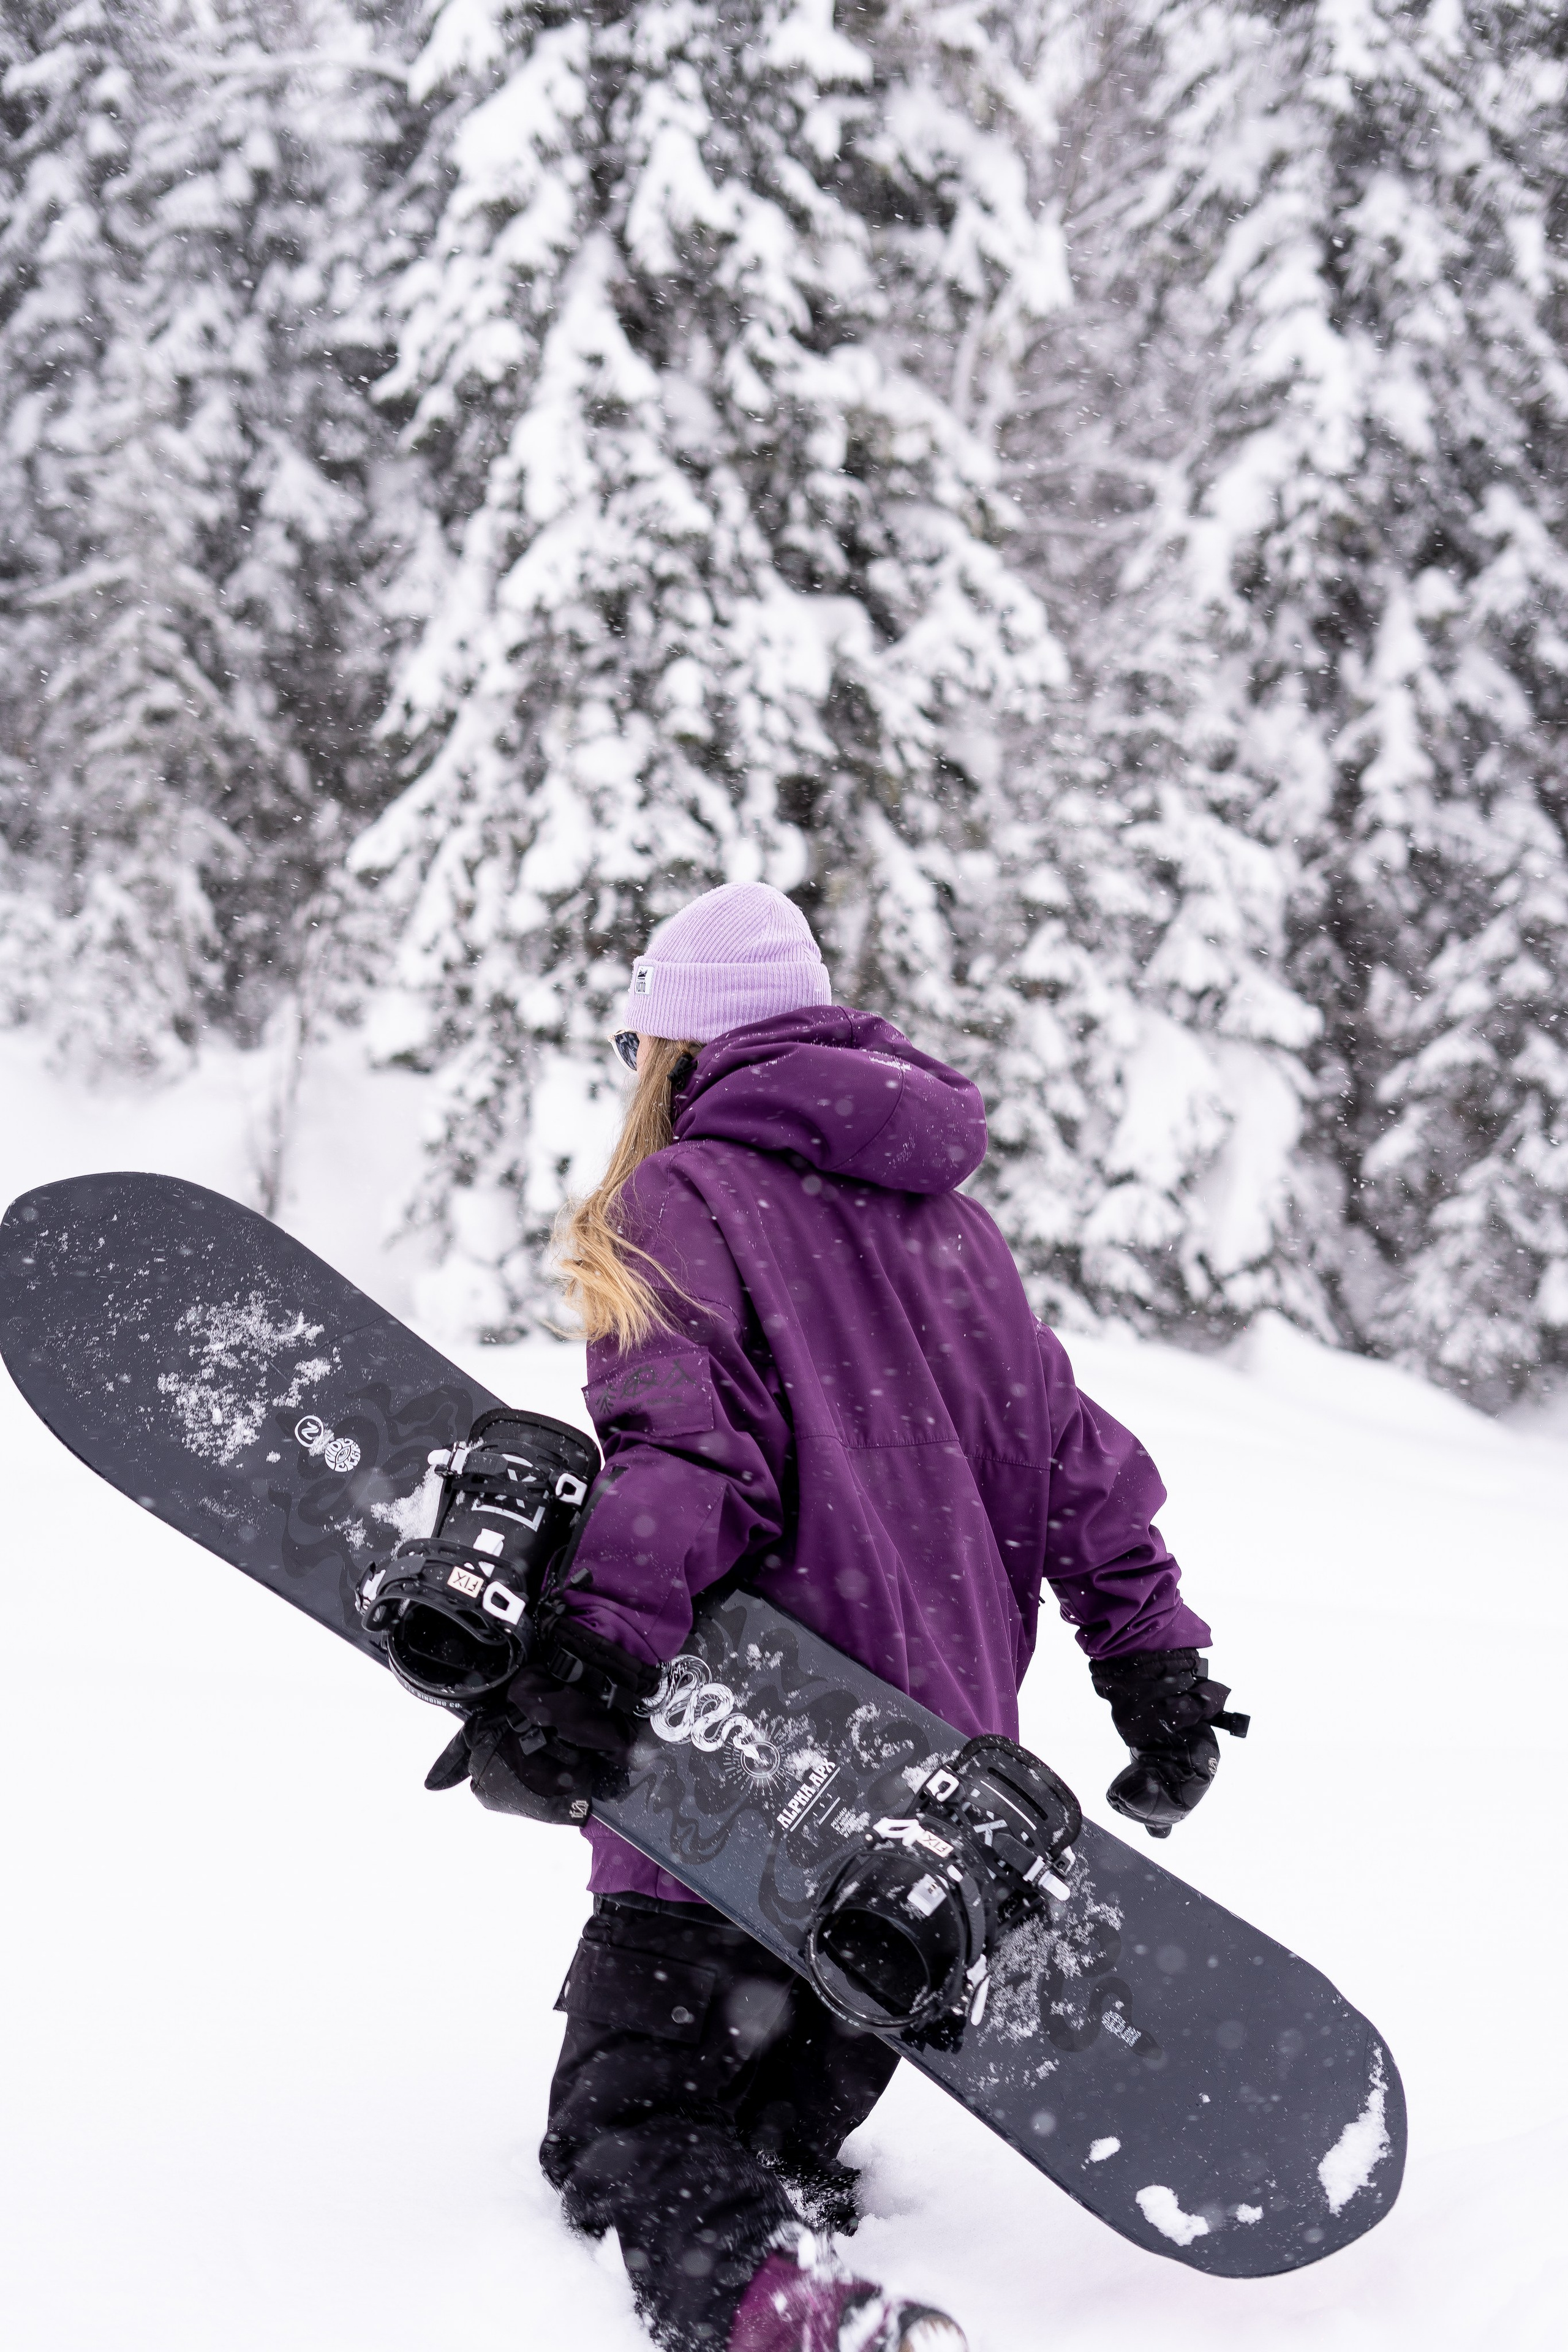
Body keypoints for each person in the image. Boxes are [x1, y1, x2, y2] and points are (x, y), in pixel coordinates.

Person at [454, 883, 1242, 2352]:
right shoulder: (957, 1232)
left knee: (628, 2136)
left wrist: (594, 1656)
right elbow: (1077, 1468)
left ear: (673, 1048)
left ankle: (797, 2323)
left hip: (745, 1774)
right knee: (777, 2143)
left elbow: (686, 1458)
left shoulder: (677, 1200)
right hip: (925, 1832)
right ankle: (802, 2267)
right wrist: (1156, 1668)